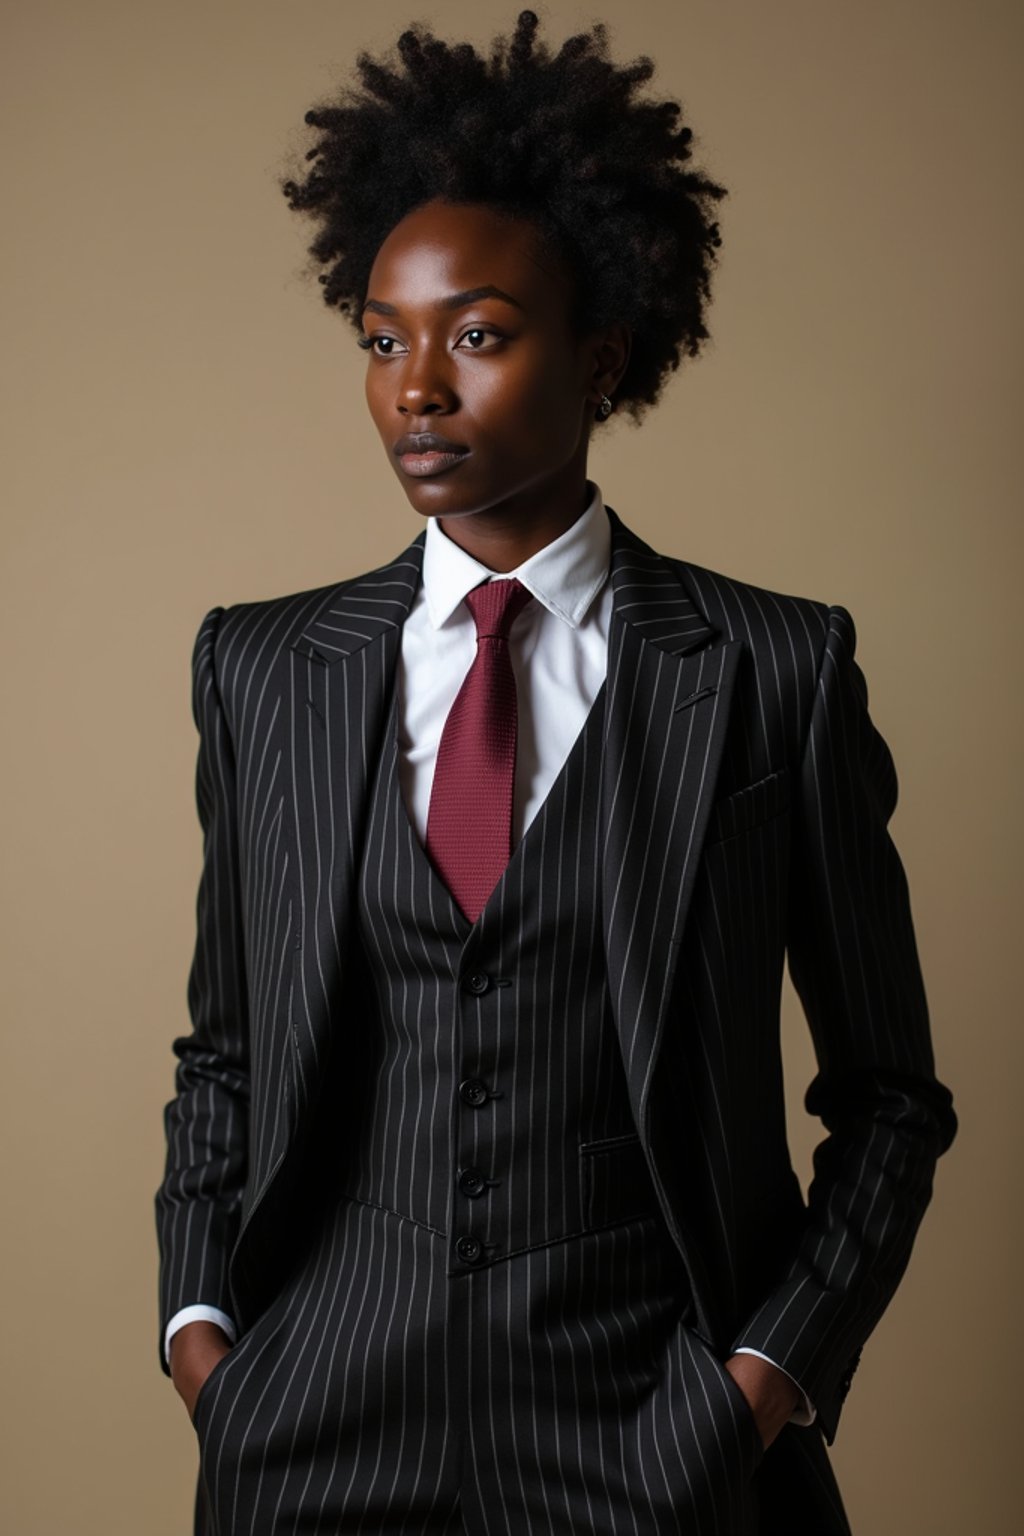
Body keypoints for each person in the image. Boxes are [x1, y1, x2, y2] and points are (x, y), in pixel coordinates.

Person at [155, 12, 956, 1533]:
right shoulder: (263, 669)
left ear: (602, 354)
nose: (416, 389)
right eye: (383, 339)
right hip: (315, 1428)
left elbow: (891, 1099)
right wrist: (208, 1343)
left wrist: (760, 1379)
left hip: (654, 1441)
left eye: (477, 333)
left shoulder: (774, 669)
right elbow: (226, 1056)